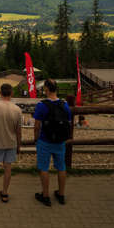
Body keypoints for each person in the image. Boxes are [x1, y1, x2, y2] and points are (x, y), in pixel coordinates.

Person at [33, 79, 71, 207]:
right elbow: (68, 122)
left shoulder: (42, 105)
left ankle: (45, 195)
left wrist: (36, 138)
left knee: (44, 168)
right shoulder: (64, 104)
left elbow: (37, 125)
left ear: (47, 89)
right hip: (60, 141)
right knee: (61, 167)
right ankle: (61, 194)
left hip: (45, 140)